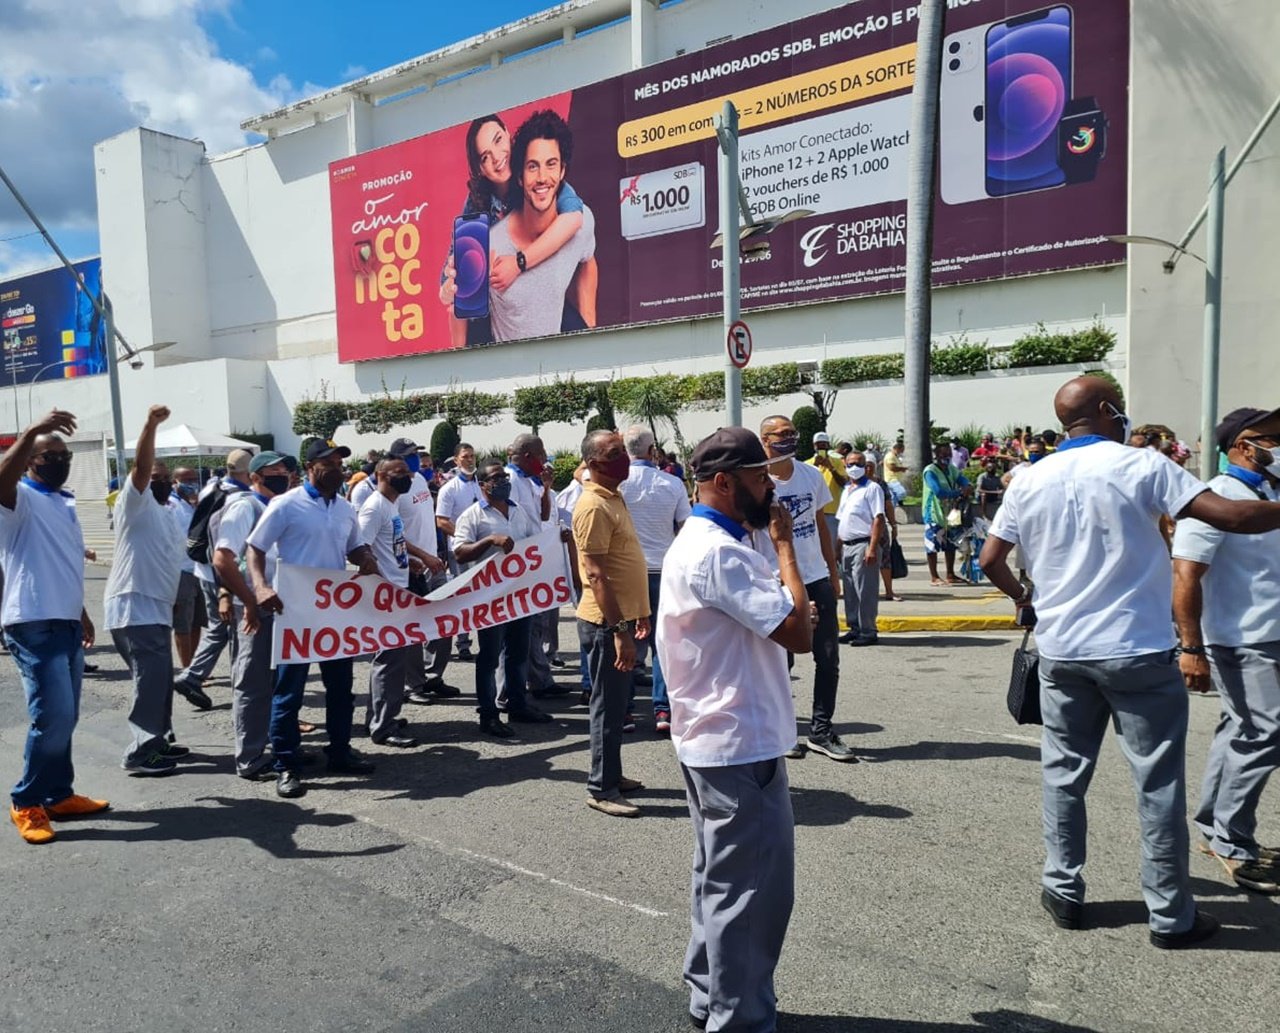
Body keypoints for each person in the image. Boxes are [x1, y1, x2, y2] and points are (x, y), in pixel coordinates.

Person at [980, 376, 1280, 949]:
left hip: (1062, 651)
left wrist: (1028, 601)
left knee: (1064, 775)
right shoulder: (1142, 465)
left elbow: (993, 557)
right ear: (1105, 410)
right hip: (1136, 651)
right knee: (1157, 785)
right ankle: (1170, 915)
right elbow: (1232, 517)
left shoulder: (1028, 477)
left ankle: (1063, 889)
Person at [657, 426, 813, 1033]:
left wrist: (786, 597)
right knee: (751, 895)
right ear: (724, 482)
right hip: (737, 741)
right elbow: (798, 632)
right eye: (757, 478)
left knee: (720, 881)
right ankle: (739, 1019)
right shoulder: (719, 551)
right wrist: (786, 552)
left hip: (719, 737)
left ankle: (710, 997)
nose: (768, 490)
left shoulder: (713, 541)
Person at [1172, 406, 1280, 895]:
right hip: (1240, 640)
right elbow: (1186, 574)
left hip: (1270, 633)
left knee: (1239, 729)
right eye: (1273, 438)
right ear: (1242, 446)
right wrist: (1190, 647)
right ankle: (1234, 843)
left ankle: (1215, 827)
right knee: (1264, 734)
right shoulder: (1215, 499)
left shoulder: (1270, 493)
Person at [246, 439, 381, 800]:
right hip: (294, 611)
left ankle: (338, 751)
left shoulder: (345, 508)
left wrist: (365, 557)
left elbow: (352, 546)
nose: (337, 469)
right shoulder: (285, 505)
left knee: (341, 687)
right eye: (330, 463)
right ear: (309, 467)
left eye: (340, 463)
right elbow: (255, 548)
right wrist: (259, 586)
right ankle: (286, 764)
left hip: (333, 613)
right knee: (289, 691)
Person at [1, 409, 105, 844]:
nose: (58, 461)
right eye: (49, 454)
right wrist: (32, 432)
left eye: (63, 455)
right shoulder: (18, 499)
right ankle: (27, 802)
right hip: (32, 623)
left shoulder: (63, 503)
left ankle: (58, 795)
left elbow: (62, 566)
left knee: (67, 716)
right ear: (29, 461)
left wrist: (79, 611)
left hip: (63, 621)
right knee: (52, 716)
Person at [438, 112, 588, 348]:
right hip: (497, 308)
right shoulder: (475, 205)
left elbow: (574, 218)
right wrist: (452, 287)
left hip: (542, 299)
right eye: (485, 157)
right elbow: (447, 287)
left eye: (498, 140)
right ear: (480, 169)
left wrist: (518, 263)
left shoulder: (536, 175)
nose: (497, 158)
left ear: (508, 134)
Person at [758, 416, 851, 761]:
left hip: (815, 577)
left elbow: (820, 526)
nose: (789, 439)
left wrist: (832, 570)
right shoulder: (757, 481)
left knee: (828, 657)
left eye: (792, 433)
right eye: (781, 434)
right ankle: (782, 732)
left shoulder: (811, 475)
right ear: (764, 439)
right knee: (781, 662)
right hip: (776, 581)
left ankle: (822, 732)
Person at [104, 406, 189, 777]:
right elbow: (140, 468)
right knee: (149, 680)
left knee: (159, 679)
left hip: (155, 607)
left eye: (166, 477)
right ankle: (141, 749)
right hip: (133, 607)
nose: (162, 480)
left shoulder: (167, 512)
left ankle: (160, 738)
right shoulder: (134, 504)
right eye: (156, 476)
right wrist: (150, 424)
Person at [573, 430, 651, 818]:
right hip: (606, 624)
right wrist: (620, 632)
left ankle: (612, 775)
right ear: (593, 463)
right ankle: (601, 788)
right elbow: (597, 576)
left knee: (619, 705)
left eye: (623, 451)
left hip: (622, 620)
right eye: (613, 453)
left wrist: (640, 613)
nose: (623, 458)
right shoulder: (592, 507)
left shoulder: (612, 495)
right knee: (607, 707)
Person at [452, 462, 553, 737]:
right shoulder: (472, 516)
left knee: (518, 654)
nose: (502, 481)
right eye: (495, 478)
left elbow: (535, 543)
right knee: (489, 658)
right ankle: (488, 714)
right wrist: (489, 542)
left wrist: (558, 540)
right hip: (489, 599)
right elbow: (460, 553)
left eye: (504, 477)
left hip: (519, 596)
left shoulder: (518, 511)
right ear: (482, 485)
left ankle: (518, 704)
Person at [481, 110, 597, 343]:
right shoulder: (490, 242)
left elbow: (588, 260)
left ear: (563, 170)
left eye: (551, 164)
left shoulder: (580, 221)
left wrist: (589, 328)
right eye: (533, 166)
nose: (543, 176)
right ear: (520, 176)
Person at [209, 450, 290, 780]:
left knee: (269, 682)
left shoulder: (275, 506)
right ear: (255, 477)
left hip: (274, 604)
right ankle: (250, 758)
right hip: (253, 607)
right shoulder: (245, 506)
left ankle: (266, 746)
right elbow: (223, 559)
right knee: (252, 683)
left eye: (284, 470)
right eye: (274, 471)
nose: (283, 475)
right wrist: (249, 600)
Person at [360, 457, 440, 749]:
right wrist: (383, 584)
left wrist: (414, 561)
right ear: (382, 475)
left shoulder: (390, 504)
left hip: (398, 586)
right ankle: (383, 726)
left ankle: (379, 715)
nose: (407, 477)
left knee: (392, 660)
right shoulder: (373, 507)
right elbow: (362, 550)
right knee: (388, 662)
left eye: (407, 472)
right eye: (400, 473)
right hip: (387, 594)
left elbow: (396, 539)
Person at [617, 425, 690, 735]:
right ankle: (663, 709)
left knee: (625, 642)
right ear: (652, 451)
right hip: (664, 569)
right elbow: (686, 527)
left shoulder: (615, 485)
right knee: (664, 642)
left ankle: (626, 711)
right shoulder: (673, 483)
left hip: (627, 573)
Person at [173, 448, 253, 710]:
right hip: (221, 572)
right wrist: (225, 590)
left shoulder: (212, 488)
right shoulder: (238, 499)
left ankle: (194, 675)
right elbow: (225, 546)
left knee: (221, 627)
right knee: (228, 627)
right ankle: (195, 676)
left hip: (204, 569)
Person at [434, 442, 483, 663]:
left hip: (482, 547)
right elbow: (442, 521)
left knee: (484, 593)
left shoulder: (481, 484)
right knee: (463, 595)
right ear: (456, 460)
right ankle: (463, 642)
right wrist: (463, 536)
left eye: (472, 456)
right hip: (461, 550)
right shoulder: (449, 489)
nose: (470, 460)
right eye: (465, 457)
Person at [836, 450, 886, 648]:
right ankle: (854, 627)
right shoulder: (847, 488)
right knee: (850, 590)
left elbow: (878, 518)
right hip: (847, 545)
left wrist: (872, 548)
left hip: (863, 544)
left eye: (858, 463)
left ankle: (868, 630)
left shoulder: (872, 488)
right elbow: (843, 520)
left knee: (865, 590)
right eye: (850, 464)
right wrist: (836, 548)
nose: (854, 468)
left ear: (866, 466)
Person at [922, 442, 971, 585]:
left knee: (951, 544)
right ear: (936, 455)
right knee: (933, 545)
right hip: (934, 513)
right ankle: (934, 576)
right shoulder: (930, 471)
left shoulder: (952, 469)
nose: (947, 457)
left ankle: (950, 574)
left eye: (949, 454)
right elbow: (938, 492)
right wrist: (959, 492)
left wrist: (967, 486)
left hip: (951, 512)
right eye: (944, 455)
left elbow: (963, 480)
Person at [866, 457, 902, 602]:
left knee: (885, 559)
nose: (868, 469)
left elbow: (888, 505)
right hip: (861, 527)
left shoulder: (880, 483)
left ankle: (889, 591)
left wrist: (893, 525)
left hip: (879, 526)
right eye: (866, 466)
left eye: (871, 466)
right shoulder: (853, 484)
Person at [806, 431, 847, 546]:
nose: (821, 447)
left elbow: (843, 483)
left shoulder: (837, 462)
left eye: (824, 444)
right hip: (812, 511)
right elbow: (804, 485)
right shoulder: (807, 464)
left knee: (831, 545)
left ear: (828, 446)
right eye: (818, 445)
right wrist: (814, 466)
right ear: (814, 446)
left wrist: (831, 468)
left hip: (832, 511)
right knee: (814, 546)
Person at [883, 439, 909, 505]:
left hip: (895, 480)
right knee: (902, 493)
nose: (902, 452)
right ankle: (895, 503)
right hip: (892, 480)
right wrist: (902, 468)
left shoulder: (895, 457)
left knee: (893, 497)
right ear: (897, 448)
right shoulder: (890, 456)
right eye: (901, 450)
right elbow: (892, 468)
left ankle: (893, 506)